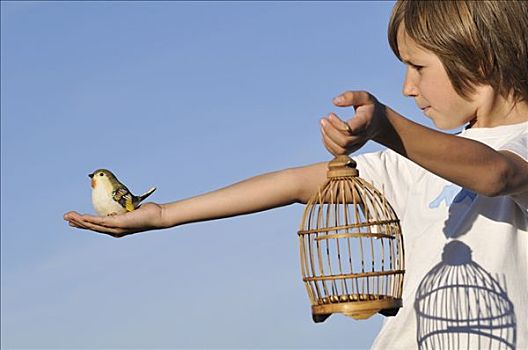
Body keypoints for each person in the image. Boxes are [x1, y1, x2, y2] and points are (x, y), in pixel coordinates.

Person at [64, 0, 528, 348]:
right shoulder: (410, 163)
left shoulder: (513, 147)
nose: (408, 87)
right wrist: (164, 215)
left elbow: (496, 174)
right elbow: (293, 184)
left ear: (480, 58)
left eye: (418, 67)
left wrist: (387, 127)